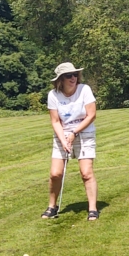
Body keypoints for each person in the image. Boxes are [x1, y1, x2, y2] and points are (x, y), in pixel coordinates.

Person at [42, 62, 100, 221]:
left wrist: (74, 133)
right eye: (69, 76)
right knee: (55, 174)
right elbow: (55, 121)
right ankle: (52, 206)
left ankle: (93, 209)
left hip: (84, 133)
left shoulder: (84, 90)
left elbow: (91, 115)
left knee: (86, 172)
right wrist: (63, 139)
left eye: (75, 75)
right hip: (62, 134)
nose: (73, 78)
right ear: (60, 79)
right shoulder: (53, 95)